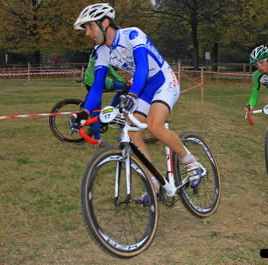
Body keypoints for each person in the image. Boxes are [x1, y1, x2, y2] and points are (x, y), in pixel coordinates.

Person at [70, 3, 204, 195]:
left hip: (162, 80)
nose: (87, 33)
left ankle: (191, 162)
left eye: (89, 26)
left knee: (154, 126)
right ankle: (154, 183)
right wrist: (83, 113)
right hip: (142, 87)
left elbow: (142, 67)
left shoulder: (132, 35)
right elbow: (97, 86)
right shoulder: (101, 51)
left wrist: (132, 95)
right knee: (133, 135)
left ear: (105, 23)